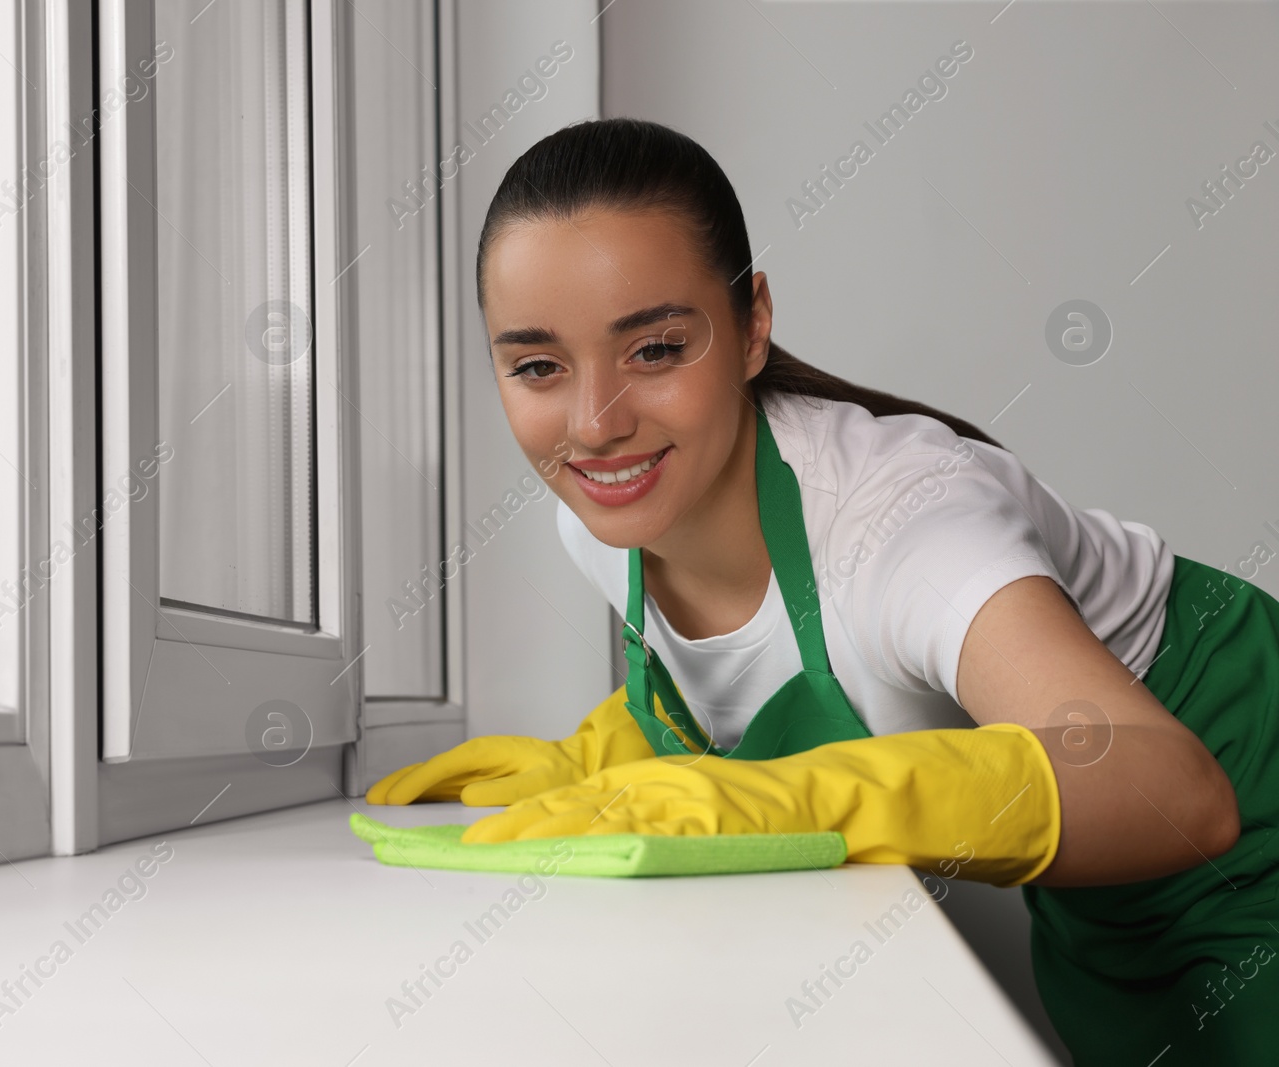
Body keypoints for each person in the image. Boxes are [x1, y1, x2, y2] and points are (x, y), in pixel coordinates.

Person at [366, 117, 1279, 1063]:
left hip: (1245, 803)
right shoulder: (598, 523)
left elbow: (1179, 794)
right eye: (539, 367)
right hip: (1097, 897)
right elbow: (753, 662)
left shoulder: (908, 522)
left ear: (753, 323)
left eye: (655, 350)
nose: (595, 425)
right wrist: (604, 750)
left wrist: (805, 800)